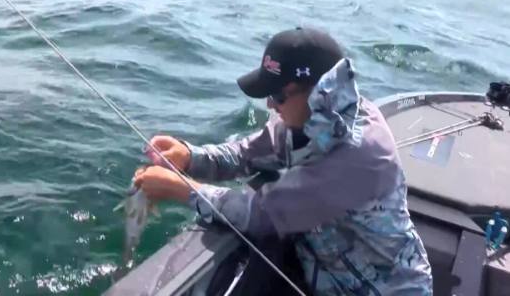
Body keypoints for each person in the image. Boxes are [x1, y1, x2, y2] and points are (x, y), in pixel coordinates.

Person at [134, 26, 433, 295]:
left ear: (318, 93)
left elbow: (261, 215)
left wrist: (182, 190)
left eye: (277, 95)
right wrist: (190, 157)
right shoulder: (307, 117)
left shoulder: (357, 154)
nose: (270, 104)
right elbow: (247, 153)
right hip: (326, 274)